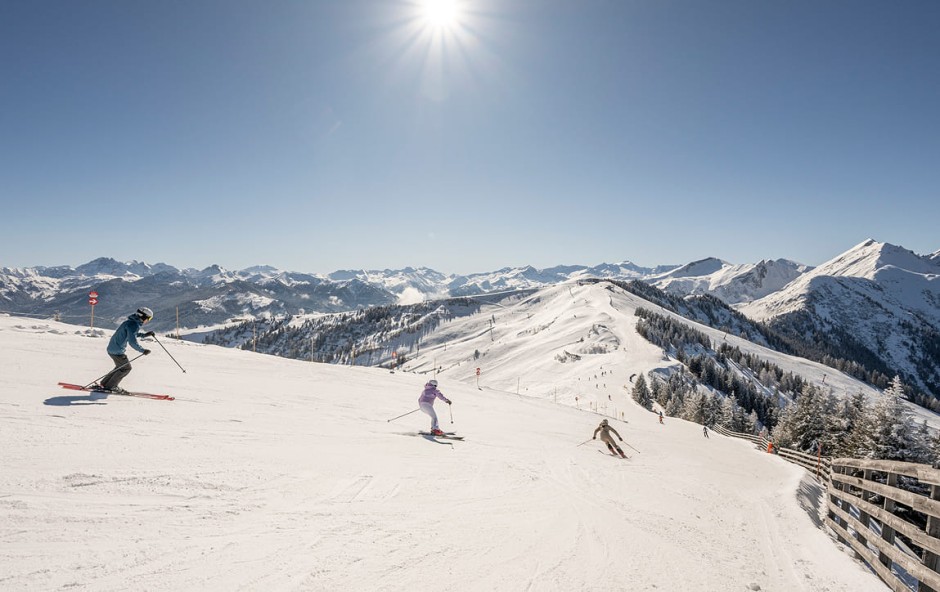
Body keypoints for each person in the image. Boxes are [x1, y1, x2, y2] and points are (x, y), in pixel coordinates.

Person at [95, 307, 155, 393]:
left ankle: (104, 384)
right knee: (126, 368)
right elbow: (132, 342)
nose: (148, 320)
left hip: (112, 348)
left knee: (120, 367)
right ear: (144, 317)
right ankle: (111, 386)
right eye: (149, 318)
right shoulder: (134, 325)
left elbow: (131, 334)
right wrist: (143, 350)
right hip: (117, 350)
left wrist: (144, 335)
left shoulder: (130, 322)